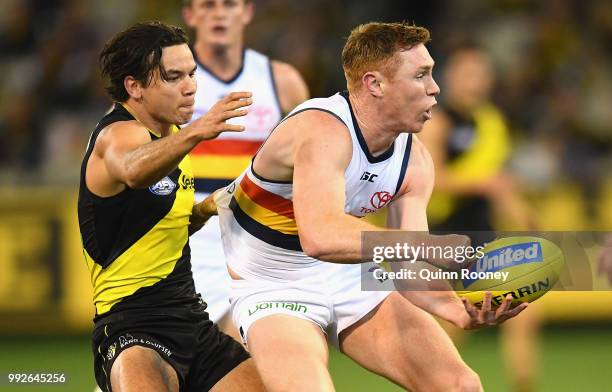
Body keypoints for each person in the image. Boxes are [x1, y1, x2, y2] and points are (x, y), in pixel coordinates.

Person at [206, 22, 527, 391]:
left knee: (459, 385)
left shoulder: (415, 160)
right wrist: (423, 245)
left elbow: (408, 266)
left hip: (352, 275)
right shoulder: (322, 129)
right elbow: (321, 237)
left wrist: (457, 309)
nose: (435, 88)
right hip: (273, 283)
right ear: (375, 84)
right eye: (421, 75)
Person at [78, 21, 264, 392]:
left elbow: (151, 222)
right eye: (173, 76)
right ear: (134, 87)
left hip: (191, 321)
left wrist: (203, 210)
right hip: (133, 328)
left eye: (192, 73)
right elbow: (132, 170)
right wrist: (200, 130)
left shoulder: (173, 136)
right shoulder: (116, 134)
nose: (191, 86)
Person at [181, 0, 309, 338]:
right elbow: (128, 143)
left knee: (256, 348)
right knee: (165, 351)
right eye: (207, 5)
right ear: (190, 15)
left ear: (247, 12)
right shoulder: (166, 79)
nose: (219, 13)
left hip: (254, 231)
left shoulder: (281, 80)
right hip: (186, 230)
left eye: (229, 4)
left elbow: (310, 159)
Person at [419, 46, 541, 392]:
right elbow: (432, 177)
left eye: (482, 73)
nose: (476, 81)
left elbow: (498, 180)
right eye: (468, 72)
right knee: (453, 327)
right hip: (444, 235)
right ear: (450, 76)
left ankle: (524, 385)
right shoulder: (436, 119)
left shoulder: (492, 122)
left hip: (484, 234)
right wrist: (484, 184)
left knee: (526, 306)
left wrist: (519, 211)